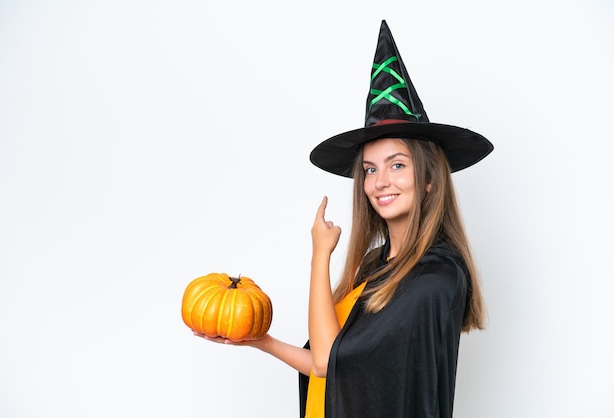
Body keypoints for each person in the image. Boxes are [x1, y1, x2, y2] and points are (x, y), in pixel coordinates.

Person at [194, 20, 493, 418]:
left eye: (397, 165)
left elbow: (327, 361)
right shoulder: (375, 266)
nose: (380, 182)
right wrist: (259, 340)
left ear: (429, 181)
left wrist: (320, 254)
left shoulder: (435, 278)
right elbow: (332, 366)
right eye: (369, 169)